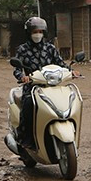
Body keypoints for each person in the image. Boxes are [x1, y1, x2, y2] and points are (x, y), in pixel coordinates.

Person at [13, 16, 69, 150]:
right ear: (29, 33)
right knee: (28, 105)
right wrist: (22, 77)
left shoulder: (50, 48)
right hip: (32, 87)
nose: (38, 34)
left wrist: (72, 72)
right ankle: (26, 138)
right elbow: (17, 69)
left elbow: (61, 64)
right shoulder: (22, 49)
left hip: (51, 85)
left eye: (40, 32)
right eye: (34, 32)